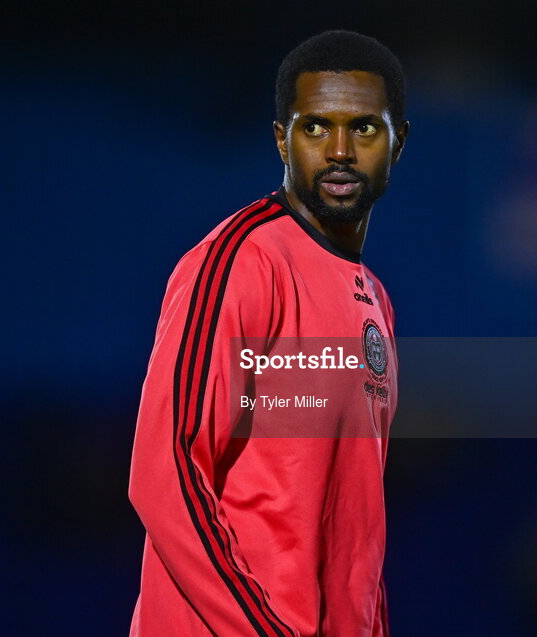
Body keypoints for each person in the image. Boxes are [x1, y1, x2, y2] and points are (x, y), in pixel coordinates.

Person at [127, 30, 409, 637]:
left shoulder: (376, 303)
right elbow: (165, 469)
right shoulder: (240, 263)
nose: (339, 150)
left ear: (399, 141)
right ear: (281, 137)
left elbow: (356, 530)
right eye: (314, 128)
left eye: (364, 128)